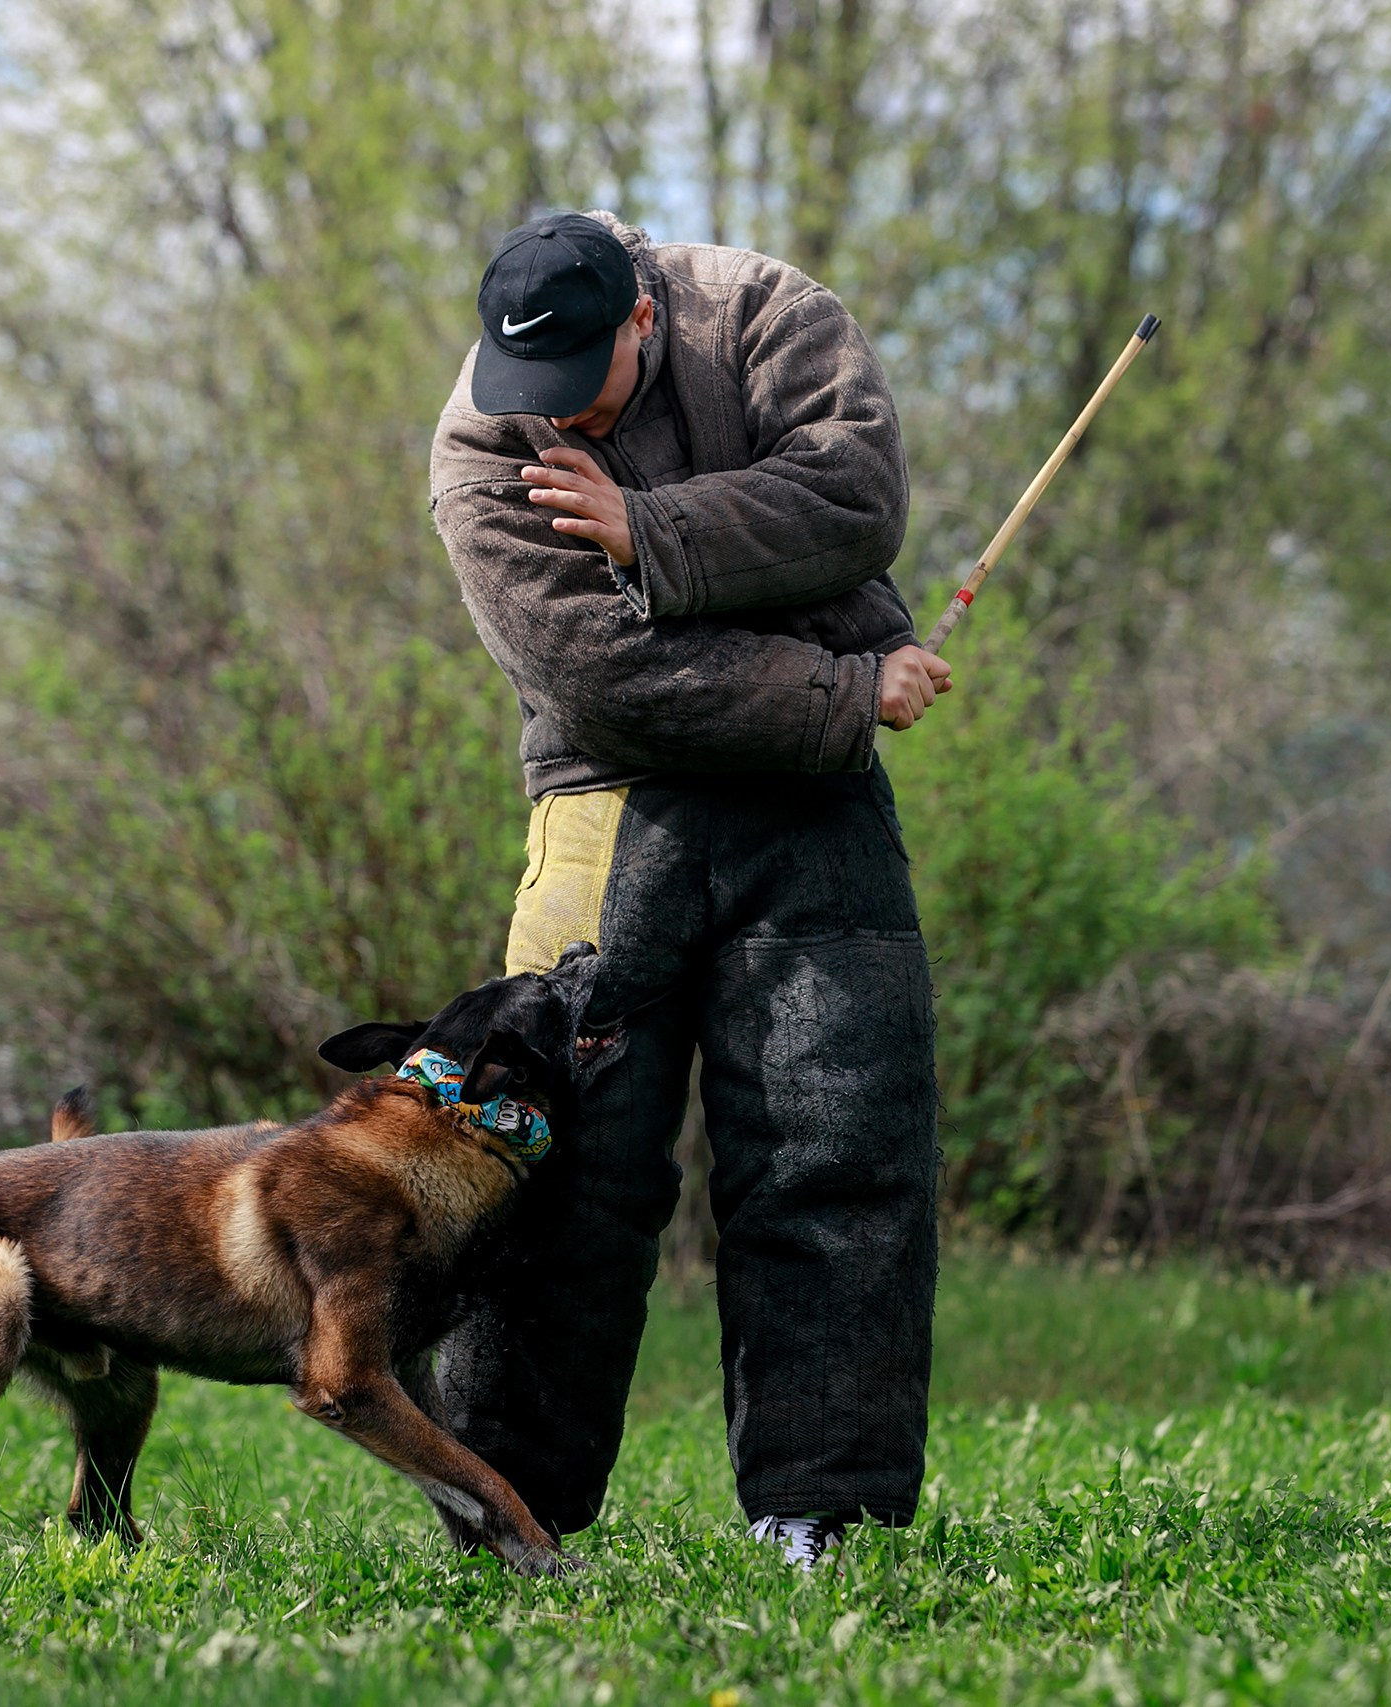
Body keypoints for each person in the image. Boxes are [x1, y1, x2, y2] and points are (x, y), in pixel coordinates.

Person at [426, 210, 950, 1569]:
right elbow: (600, 675)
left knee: (837, 1153)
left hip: (815, 811)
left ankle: (824, 1512)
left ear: (644, 318)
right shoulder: (483, 441)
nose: (554, 424)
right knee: (549, 1161)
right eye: (526, 390)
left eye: (580, 387)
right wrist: (837, 687)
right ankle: (506, 1516)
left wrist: (644, 532)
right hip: (608, 795)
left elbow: (854, 502)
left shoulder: (769, 315)